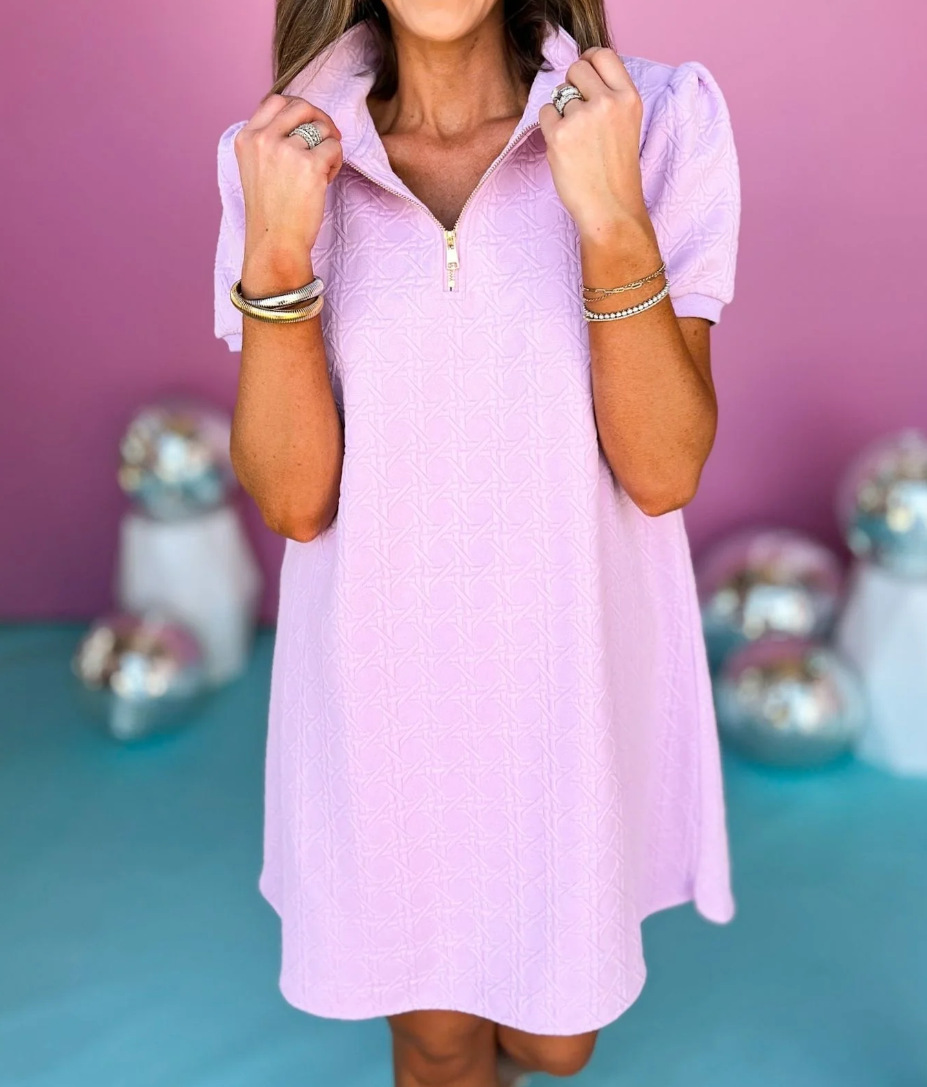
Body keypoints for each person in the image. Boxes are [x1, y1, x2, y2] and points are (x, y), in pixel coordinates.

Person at [213, 1, 741, 1084]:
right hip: (381, 705)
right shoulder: (278, 152)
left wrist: (611, 216)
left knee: (557, 1040)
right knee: (439, 1042)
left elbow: (663, 470)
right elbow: (296, 502)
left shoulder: (655, 119)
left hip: (567, 695)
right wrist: (275, 247)